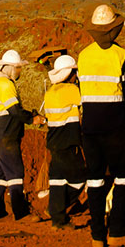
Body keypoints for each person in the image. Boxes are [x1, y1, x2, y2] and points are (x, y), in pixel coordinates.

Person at [77, 4, 125, 247]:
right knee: (124, 178)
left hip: (89, 128)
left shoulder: (83, 56)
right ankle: (118, 232)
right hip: (115, 127)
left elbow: (82, 90)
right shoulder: (121, 56)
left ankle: (97, 237)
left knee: (95, 181)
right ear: (113, 30)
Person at [0, 48, 42, 220]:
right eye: (18, 68)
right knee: (15, 171)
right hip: (6, 135)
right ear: (10, 68)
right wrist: (32, 119)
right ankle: (21, 212)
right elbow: (15, 111)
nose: (19, 71)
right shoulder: (6, 85)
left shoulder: (0, 84)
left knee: (1, 173)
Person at [41, 54, 84, 230]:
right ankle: (55, 210)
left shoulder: (50, 92)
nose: (76, 75)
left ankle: (58, 220)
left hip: (54, 142)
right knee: (80, 178)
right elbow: (87, 101)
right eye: (74, 72)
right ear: (69, 74)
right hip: (68, 142)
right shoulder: (72, 91)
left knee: (58, 180)